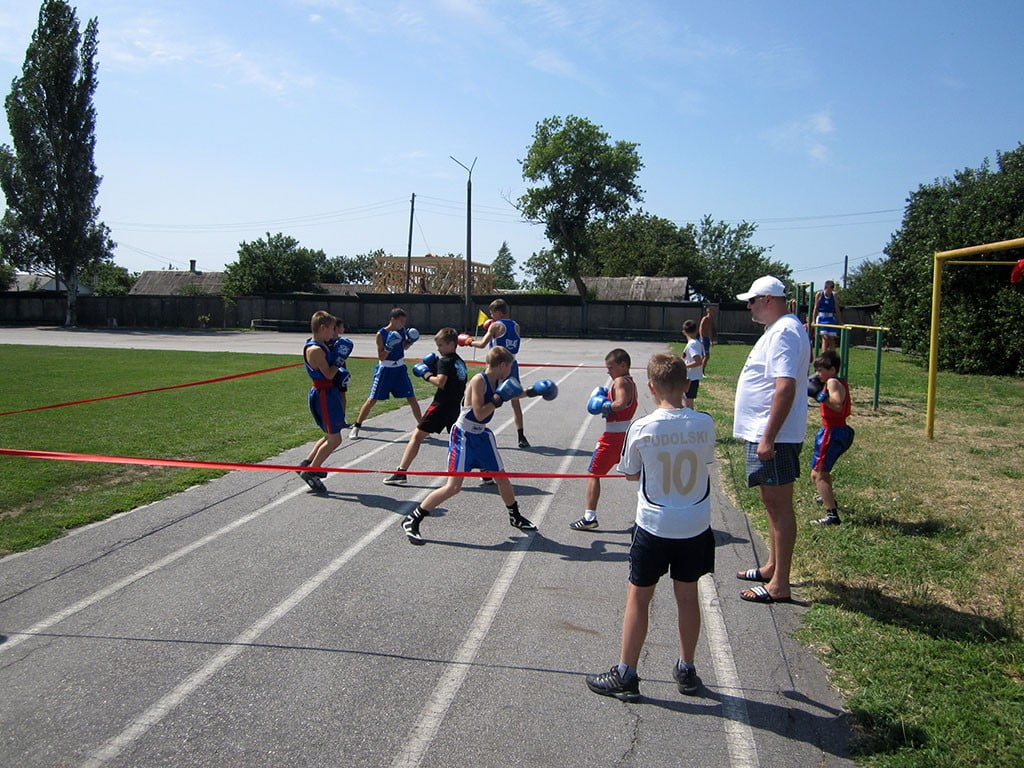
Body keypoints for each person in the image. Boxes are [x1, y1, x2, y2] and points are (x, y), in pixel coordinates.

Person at [585, 353, 716, 701]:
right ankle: (686, 668)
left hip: (655, 525)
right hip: (694, 524)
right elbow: (704, 460)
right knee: (687, 598)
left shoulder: (641, 427)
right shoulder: (704, 422)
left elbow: (629, 472)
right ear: (686, 385)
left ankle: (627, 674)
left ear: (651, 387)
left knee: (639, 597)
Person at [401, 346, 537, 544]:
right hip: (463, 435)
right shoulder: (478, 381)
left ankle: (515, 516)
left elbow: (513, 392)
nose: (511, 371)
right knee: (453, 487)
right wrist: (498, 399)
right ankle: (413, 518)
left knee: (502, 478)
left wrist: (534, 391)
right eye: (510, 366)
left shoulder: (498, 379)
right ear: (502, 365)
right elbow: (480, 412)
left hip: (482, 435)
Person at [733, 275, 811, 604]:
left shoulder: (785, 332)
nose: (748, 307)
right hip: (767, 433)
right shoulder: (779, 330)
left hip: (773, 436)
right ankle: (772, 566)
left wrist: (769, 437)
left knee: (779, 507)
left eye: (751, 301)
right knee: (770, 502)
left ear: (767, 299)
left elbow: (785, 387)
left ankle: (780, 584)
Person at [382, 328, 469, 486]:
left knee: (416, 437)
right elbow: (453, 381)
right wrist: (435, 368)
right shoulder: (459, 362)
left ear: (451, 344)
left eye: (441, 345)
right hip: (455, 406)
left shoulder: (445, 360)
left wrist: (426, 374)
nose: (438, 349)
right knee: (461, 441)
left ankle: (401, 472)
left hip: (440, 406)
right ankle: (486, 471)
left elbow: (441, 382)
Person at [569, 348, 638, 531]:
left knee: (594, 473)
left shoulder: (621, 381)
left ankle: (589, 517)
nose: (608, 371)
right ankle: (651, 514)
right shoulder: (629, 380)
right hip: (625, 434)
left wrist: (604, 404)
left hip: (613, 438)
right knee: (635, 475)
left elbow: (621, 403)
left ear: (623, 365)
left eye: (611, 367)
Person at [461, 298, 531, 448]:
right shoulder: (516, 326)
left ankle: (474, 427)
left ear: (498, 312)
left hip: (496, 366)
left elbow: (481, 345)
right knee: (515, 399)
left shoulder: (496, 326)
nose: (491, 316)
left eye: (492, 313)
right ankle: (521, 436)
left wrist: (468, 341)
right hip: (512, 365)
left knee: (482, 393)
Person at [349, 308, 422, 439]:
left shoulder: (402, 330)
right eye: (401, 321)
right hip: (385, 369)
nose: (403, 324)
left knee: (412, 398)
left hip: (400, 368)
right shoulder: (381, 334)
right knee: (372, 399)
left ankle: (422, 427)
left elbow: (403, 347)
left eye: (404, 322)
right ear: (393, 320)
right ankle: (357, 426)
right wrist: (388, 346)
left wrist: (410, 341)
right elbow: (381, 356)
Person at [298, 310, 347, 493]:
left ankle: (308, 463)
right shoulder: (315, 350)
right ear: (322, 327)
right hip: (323, 394)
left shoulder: (321, 344)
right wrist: (340, 360)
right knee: (335, 439)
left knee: (329, 434)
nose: (334, 333)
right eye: (332, 329)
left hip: (328, 392)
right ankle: (312, 471)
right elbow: (328, 374)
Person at [807, 350, 854, 526]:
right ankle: (828, 498)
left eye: (821, 370)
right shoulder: (833, 380)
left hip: (833, 431)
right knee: (815, 474)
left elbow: (836, 404)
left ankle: (832, 515)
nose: (818, 374)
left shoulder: (833, 382)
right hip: (833, 430)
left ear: (832, 370)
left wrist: (820, 396)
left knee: (820, 474)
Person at [331, 318, 354, 427]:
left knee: (342, 394)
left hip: (341, 370)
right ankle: (331, 419)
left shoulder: (343, 342)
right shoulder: (328, 341)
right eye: (342, 326)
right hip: (330, 370)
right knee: (331, 394)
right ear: (336, 328)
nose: (343, 329)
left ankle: (342, 419)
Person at [681, 319, 705, 409]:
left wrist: (683, 365)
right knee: (687, 400)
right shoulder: (696, 343)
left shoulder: (692, 344)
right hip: (691, 377)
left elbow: (698, 361)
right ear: (696, 330)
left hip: (690, 377)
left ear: (684, 332)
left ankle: (689, 419)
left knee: (688, 402)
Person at [812, 280, 842, 352]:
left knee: (832, 338)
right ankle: (824, 356)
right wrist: (813, 320)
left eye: (830, 289)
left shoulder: (834, 295)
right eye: (826, 288)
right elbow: (815, 308)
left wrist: (840, 321)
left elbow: (837, 309)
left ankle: (832, 357)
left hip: (831, 318)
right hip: (822, 317)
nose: (828, 291)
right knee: (825, 338)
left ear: (832, 289)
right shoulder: (819, 294)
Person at [698, 305, 715, 373]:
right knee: (706, 356)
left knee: (705, 356)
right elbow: (700, 328)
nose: (713, 313)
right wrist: (701, 338)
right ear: (708, 311)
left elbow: (710, 331)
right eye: (712, 311)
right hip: (703, 339)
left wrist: (711, 340)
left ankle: (700, 370)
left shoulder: (711, 320)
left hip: (707, 339)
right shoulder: (705, 319)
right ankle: (701, 370)